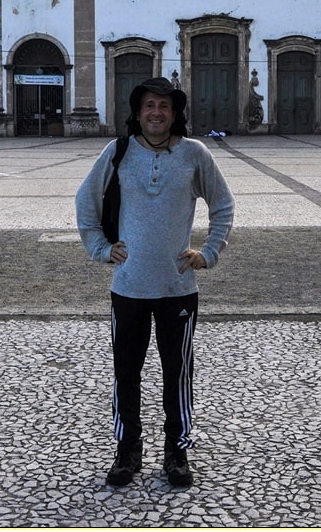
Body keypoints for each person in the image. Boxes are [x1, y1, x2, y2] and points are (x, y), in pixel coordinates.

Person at [75, 77, 235, 488]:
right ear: (138, 111)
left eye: (164, 106)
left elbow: (223, 204)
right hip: (128, 287)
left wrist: (209, 251)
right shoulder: (119, 152)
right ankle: (127, 449)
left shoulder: (194, 154)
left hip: (177, 289)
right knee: (125, 372)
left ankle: (176, 451)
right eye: (149, 105)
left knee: (177, 373)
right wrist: (99, 247)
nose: (156, 113)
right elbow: (85, 200)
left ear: (174, 112)